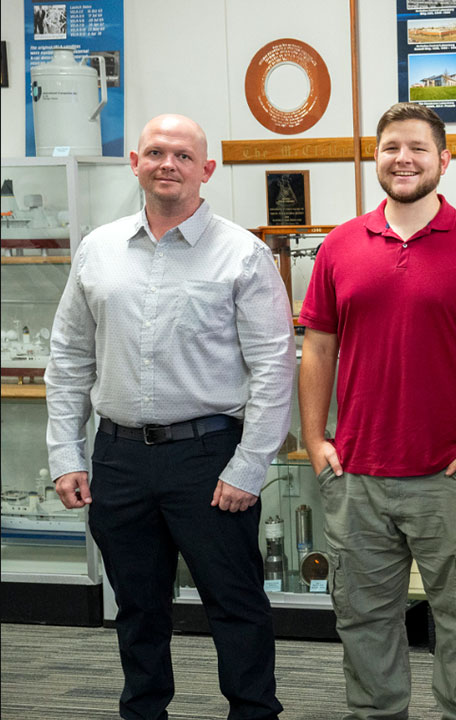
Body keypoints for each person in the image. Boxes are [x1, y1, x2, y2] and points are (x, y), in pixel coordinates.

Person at [45, 114, 293, 720]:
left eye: (183, 156)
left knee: (234, 603)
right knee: (137, 606)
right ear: (135, 162)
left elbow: (274, 366)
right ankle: (144, 711)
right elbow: (69, 356)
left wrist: (248, 467)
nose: (168, 165)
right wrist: (66, 454)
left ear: (206, 170)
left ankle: (254, 712)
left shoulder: (243, 254)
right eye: (155, 152)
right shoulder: (98, 250)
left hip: (209, 458)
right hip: (119, 456)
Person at [298, 103, 456, 720]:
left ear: (444, 158)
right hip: (357, 476)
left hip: (449, 476)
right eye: (390, 148)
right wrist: (314, 440)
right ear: (375, 157)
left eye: (416, 148)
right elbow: (318, 347)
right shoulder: (339, 246)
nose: (402, 159)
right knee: (363, 623)